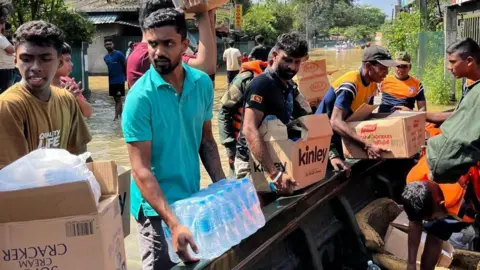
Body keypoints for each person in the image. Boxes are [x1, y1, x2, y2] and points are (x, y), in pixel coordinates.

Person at [122, 8, 225, 268]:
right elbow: (140, 170)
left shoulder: (201, 84)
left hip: (191, 199)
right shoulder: (139, 99)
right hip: (156, 210)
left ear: (184, 44)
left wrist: (223, 187)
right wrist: (173, 223)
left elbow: (207, 141)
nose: (158, 52)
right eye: (152, 44)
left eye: (168, 43)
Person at [403, 37, 480, 270]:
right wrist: (409, 264)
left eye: (451, 62)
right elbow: (458, 118)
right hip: (463, 196)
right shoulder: (414, 183)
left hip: (472, 188)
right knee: (436, 235)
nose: (448, 67)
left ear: (469, 60)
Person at [0, 20, 91, 169]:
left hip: (61, 187)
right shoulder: (8, 106)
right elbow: (12, 174)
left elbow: (81, 158)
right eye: (26, 59)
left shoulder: (66, 99)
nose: (35, 67)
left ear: (60, 62)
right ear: (15, 60)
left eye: (46, 59)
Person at [235, 32, 311, 195]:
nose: (292, 67)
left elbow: (304, 118)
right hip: (252, 163)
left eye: (297, 62)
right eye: (287, 60)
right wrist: (275, 174)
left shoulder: (288, 85)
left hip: (276, 157)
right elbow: (249, 129)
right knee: (260, 216)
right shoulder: (262, 84)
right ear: (275, 55)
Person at [315, 45, 397, 159]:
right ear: (368, 66)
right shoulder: (350, 85)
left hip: (342, 133)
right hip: (323, 138)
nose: (386, 73)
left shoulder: (372, 84)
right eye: (383, 68)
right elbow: (335, 122)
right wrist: (367, 145)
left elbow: (365, 115)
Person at [127, 0, 216, 88]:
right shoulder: (146, 55)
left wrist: (209, 20)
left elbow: (209, 65)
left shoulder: (150, 51)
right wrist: (201, 14)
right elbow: (205, 67)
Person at [402, 180, 477, 270]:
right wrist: (411, 264)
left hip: (466, 197)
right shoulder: (413, 187)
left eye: (433, 219)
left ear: (440, 204)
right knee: (436, 229)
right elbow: (415, 222)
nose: (431, 221)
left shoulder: (463, 197)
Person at [51, 42, 92, 119]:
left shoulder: (68, 82)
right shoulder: (42, 87)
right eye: (67, 60)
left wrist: (76, 98)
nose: (71, 64)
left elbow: (88, 113)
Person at [103, 37, 126, 121]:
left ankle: (116, 117)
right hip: (111, 81)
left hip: (119, 80)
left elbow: (125, 65)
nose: (108, 46)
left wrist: (125, 77)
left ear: (113, 44)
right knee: (116, 100)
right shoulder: (105, 57)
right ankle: (121, 117)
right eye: (107, 44)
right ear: (104, 46)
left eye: (110, 44)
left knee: (118, 99)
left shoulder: (119, 54)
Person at [0, 22, 14, 94]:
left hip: (5, 68)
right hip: (4, 69)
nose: (8, 33)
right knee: (5, 92)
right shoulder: (1, 38)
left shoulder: (3, 37)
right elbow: (11, 50)